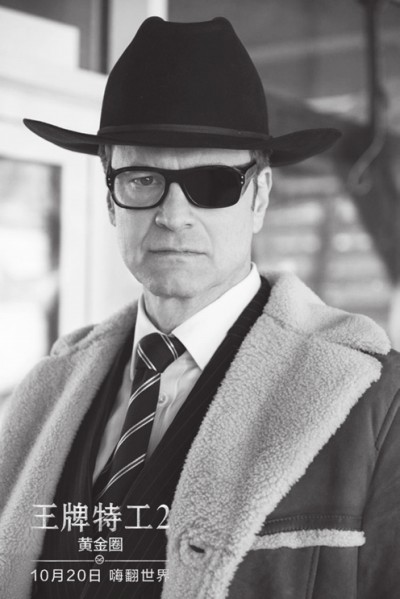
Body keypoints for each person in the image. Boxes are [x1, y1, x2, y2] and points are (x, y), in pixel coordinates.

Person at [0, 16, 399, 599]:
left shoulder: (374, 403)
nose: (173, 216)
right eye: (142, 179)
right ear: (110, 198)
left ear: (260, 197)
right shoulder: (45, 394)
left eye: (213, 183)